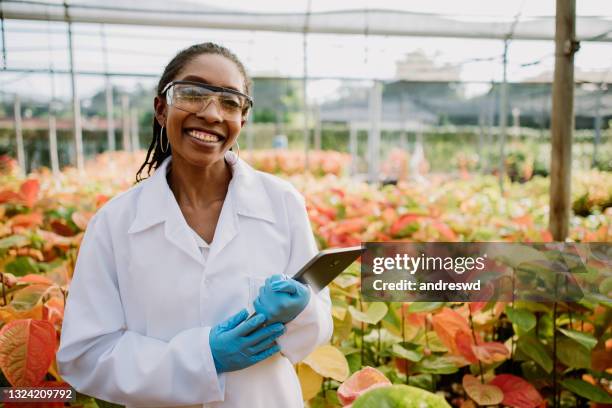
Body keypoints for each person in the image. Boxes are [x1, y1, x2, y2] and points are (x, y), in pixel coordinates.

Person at [57, 43, 333, 408]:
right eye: (192, 93)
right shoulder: (114, 223)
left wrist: (301, 312)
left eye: (231, 102)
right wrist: (204, 357)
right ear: (160, 108)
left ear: (243, 120)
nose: (211, 113)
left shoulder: (282, 203)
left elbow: (319, 328)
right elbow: (86, 355)